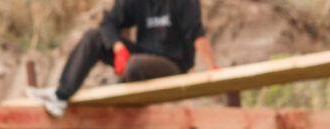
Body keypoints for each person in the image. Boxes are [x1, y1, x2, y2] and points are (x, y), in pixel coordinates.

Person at [27, 0, 217, 117]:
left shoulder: (183, 2)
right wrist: (118, 47)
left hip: (173, 64)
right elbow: (108, 23)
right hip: (141, 55)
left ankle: (119, 89)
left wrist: (213, 70)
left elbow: (197, 35)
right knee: (94, 37)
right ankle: (61, 95)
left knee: (134, 65)